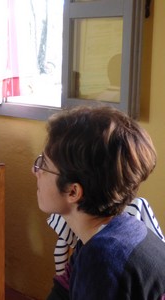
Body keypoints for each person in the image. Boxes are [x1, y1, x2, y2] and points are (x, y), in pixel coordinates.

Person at [32, 106, 165, 300]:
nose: (35, 171)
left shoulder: (103, 260)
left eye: (44, 164)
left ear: (73, 191)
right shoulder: (108, 234)